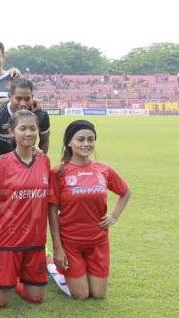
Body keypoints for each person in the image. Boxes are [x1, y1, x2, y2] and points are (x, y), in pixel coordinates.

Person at [49, 120, 131, 299]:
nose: (86, 144)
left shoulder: (103, 169)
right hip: (70, 242)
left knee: (99, 295)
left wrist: (114, 215)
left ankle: (81, 272)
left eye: (90, 139)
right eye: (80, 139)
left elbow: (125, 192)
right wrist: (57, 248)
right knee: (82, 295)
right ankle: (53, 268)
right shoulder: (59, 172)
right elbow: (52, 211)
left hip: (98, 241)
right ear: (69, 142)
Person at [0, 110, 52, 308]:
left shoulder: (44, 161)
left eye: (33, 128)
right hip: (7, 239)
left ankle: (15, 283)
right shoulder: (0, 163)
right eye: (23, 128)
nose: (28, 133)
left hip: (35, 240)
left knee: (36, 298)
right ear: (12, 132)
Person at [0, 78, 50, 163]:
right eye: (18, 99)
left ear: (32, 97)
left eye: (27, 99)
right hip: (0, 164)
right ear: (9, 97)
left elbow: (45, 140)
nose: (23, 104)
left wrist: (38, 162)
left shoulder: (41, 115)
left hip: (26, 163)